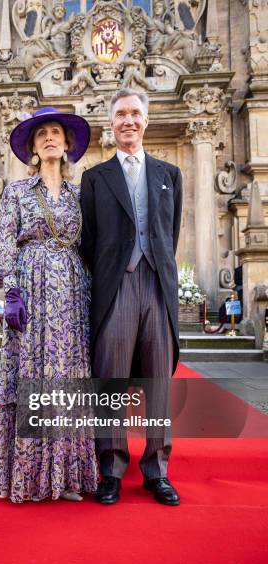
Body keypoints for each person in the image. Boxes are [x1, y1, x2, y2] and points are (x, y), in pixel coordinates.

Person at [80, 88, 183, 506]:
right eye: (120, 114)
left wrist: (155, 266)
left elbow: (169, 233)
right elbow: (89, 242)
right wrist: (113, 272)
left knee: (157, 383)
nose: (128, 121)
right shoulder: (95, 177)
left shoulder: (169, 174)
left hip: (156, 285)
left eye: (135, 113)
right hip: (116, 288)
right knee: (112, 381)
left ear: (146, 120)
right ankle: (111, 468)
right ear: (111, 122)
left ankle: (157, 470)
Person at [0, 106, 98, 503]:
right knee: (33, 373)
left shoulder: (80, 195)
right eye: (42, 135)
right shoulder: (17, 192)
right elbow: (5, 245)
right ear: (33, 148)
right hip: (31, 290)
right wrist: (12, 292)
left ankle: (67, 476)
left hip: (72, 291)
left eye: (56, 132)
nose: (50, 137)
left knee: (67, 376)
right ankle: (32, 478)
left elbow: (92, 246)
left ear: (67, 144)